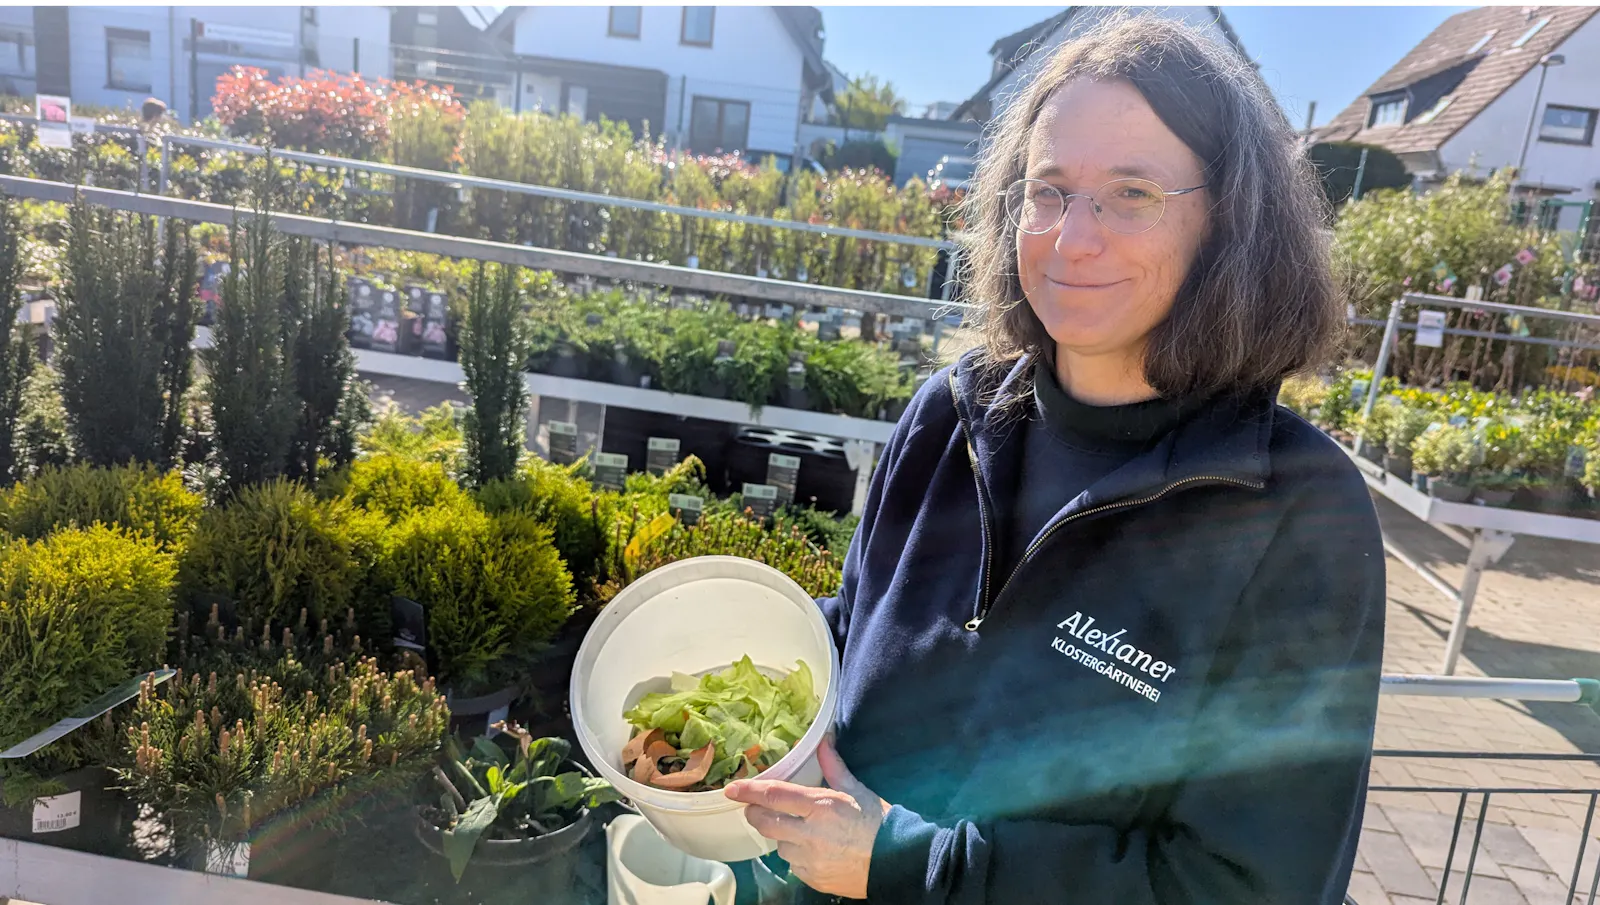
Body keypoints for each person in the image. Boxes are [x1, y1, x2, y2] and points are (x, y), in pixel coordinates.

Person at [723, 14, 1386, 905]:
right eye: (1049, 190)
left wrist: (907, 866)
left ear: (1231, 221)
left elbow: (1250, 885)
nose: (1073, 239)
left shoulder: (1296, 515)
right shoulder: (949, 416)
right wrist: (739, 682)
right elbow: (865, 633)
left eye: (1132, 193)